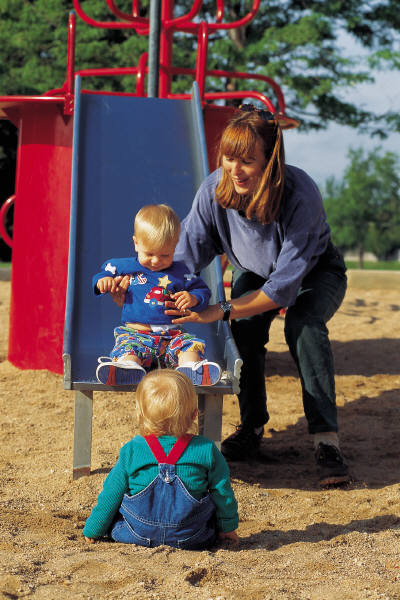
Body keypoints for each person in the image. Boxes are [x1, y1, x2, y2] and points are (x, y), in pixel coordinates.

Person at [163, 104, 350, 487]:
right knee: (245, 328)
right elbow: (184, 256)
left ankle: (325, 439)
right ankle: (252, 428)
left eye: (247, 160)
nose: (235, 169)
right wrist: (147, 284)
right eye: (229, 158)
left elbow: (283, 287)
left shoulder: (300, 193)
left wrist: (220, 309)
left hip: (315, 272)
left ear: (270, 159)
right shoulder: (215, 189)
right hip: (254, 269)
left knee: (303, 326)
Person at [83, 369, 239, 549]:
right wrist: (227, 529)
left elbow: (111, 494)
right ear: (194, 414)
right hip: (191, 536)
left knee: (116, 522)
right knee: (211, 505)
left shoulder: (133, 450)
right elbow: (223, 493)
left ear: (140, 414)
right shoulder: (205, 449)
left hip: (138, 533)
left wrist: (94, 529)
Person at [93, 204, 221, 386]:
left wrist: (193, 298)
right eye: (149, 253)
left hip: (171, 336)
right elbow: (103, 273)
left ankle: (191, 368)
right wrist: (103, 281)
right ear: (136, 243)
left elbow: (203, 291)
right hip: (136, 333)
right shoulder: (124, 266)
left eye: (164, 255)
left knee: (189, 344)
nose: (156, 261)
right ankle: (127, 367)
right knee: (127, 347)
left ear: (175, 246)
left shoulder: (181, 272)